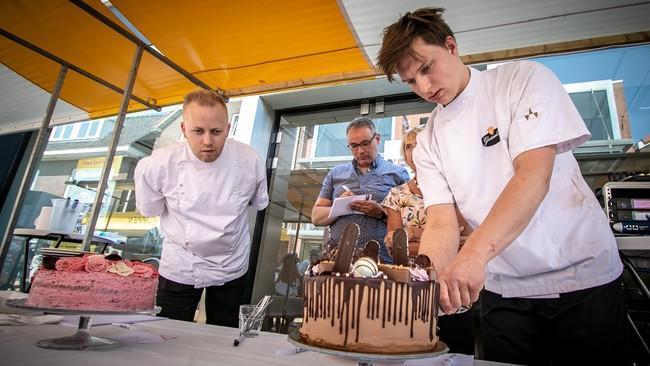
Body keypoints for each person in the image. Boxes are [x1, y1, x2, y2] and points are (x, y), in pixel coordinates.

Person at [377, 7, 626, 365]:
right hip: (502, 288)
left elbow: (533, 177)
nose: (425, 87)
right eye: (412, 81)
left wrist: (473, 257)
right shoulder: (429, 138)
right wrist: (429, 282)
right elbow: (443, 222)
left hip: (580, 277)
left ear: (451, 46)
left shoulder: (520, 81)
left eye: (427, 68)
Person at [134, 89, 269, 327]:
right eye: (198, 131)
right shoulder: (156, 165)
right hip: (181, 263)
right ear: (184, 129)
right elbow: (150, 209)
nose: (207, 141)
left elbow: (257, 203)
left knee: (224, 337)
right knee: (168, 334)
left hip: (232, 262)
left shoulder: (250, 161)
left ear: (228, 129)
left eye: (216, 132)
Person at [382, 125, 474, 355]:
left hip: (451, 277)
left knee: (455, 347)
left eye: (419, 144)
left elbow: (463, 235)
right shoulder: (396, 194)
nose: (414, 151)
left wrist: (413, 234)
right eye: (408, 146)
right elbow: (396, 245)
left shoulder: (456, 188)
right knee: (411, 347)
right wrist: (439, 239)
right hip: (409, 283)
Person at [311, 117, 410, 263]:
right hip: (337, 260)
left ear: (377, 139)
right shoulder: (336, 173)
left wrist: (381, 214)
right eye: (354, 146)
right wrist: (341, 206)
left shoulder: (398, 174)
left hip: (382, 261)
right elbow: (316, 217)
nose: (360, 151)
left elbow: (411, 223)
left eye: (365, 143)